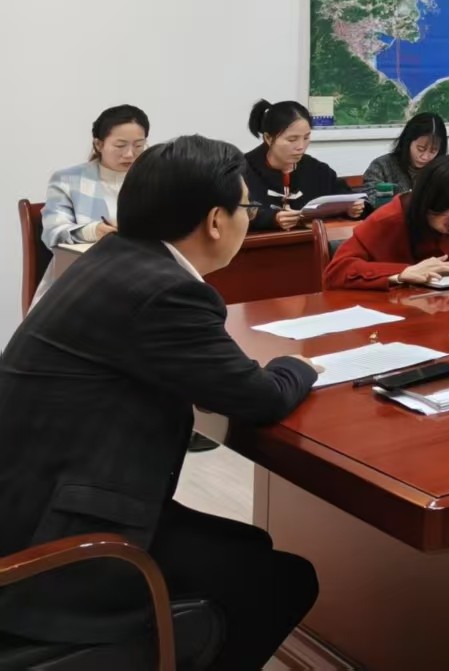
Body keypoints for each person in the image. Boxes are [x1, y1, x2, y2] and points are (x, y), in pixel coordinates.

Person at [0, 135, 320, 668]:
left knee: (252, 548)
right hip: (52, 542)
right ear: (215, 221)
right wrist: (299, 365)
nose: (248, 220)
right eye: (246, 209)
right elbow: (260, 398)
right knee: (279, 581)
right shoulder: (166, 290)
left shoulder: (114, 259)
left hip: (29, 500)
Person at [325, 155, 449, 289]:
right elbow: (336, 272)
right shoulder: (390, 219)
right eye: (447, 210)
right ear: (427, 201)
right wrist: (401, 273)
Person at [36, 104, 150, 302]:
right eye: (120, 145)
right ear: (98, 144)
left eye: (138, 145)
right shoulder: (68, 180)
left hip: (145, 277)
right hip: (82, 282)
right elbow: (52, 233)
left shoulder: (156, 179)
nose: (130, 154)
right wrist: (94, 231)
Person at [243, 98, 361, 232]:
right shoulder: (241, 170)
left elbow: (343, 197)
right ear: (268, 138)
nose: (301, 146)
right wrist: (271, 219)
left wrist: (351, 209)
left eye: (306, 138)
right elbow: (233, 212)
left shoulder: (318, 170)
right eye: (292, 139)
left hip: (312, 241)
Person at [361, 111, 448, 206]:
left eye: (433, 151)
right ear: (408, 141)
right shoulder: (381, 166)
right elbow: (371, 201)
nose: (425, 157)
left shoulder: (443, 171)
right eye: (420, 149)